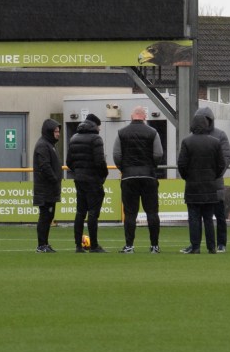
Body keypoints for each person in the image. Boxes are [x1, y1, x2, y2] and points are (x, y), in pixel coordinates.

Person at [112, 105, 163, 253]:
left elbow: (116, 155)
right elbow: (158, 153)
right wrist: (151, 167)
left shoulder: (121, 133)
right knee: (152, 212)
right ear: (144, 117)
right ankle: (154, 246)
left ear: (132, 116)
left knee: (130, 213)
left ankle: (129, 246)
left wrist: (124, 169)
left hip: (128, 177)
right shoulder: (153, 132)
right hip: (148, 176)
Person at [177, 112, 227, 254]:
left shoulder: (187, 142)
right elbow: (221, 164)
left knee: (194, 217)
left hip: (192, 186)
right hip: (210, 186)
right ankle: (212, 247)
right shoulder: (215, 142)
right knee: (208, 218)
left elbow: (181, 164)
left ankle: (195, 246)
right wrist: (213, 176)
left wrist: (187, 177)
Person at [67, 113, 109, 253]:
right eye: (99, 126)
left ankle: (78, 246)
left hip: (79, 179)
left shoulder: (73, 138)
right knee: (93, 213)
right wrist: (103, 175)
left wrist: (78, 171)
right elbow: (100, 162)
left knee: (80, 212)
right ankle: (94, 245)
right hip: (93, 180)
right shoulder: (96, 139)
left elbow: (69, 162)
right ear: (95, 125)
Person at [195, 106, 230, 252]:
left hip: (215, 183)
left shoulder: (220, 135)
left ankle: (221, 243)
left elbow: (226, 157)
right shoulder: (192, 137)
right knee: (196, 217)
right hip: (197, 184)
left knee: (220, 215)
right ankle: (195, 243)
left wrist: (215, 174)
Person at [32, 118, 62, 253]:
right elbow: (45, 166)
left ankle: (45, 243)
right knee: (45, 216)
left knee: (49, 216)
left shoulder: (49, 145)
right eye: (56, 131)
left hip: (50, 188)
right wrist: (54, 179)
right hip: (45, 188)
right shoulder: (43, 145)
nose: (58, 134)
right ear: (49, 132)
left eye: (59, 131)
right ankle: (41, 245)